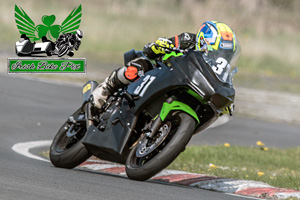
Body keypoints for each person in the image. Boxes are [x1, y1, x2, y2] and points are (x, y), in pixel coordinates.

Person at [92, 21, 238, 109]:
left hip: (183, 86)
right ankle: (105, 89)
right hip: (158, 69)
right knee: (135, 69)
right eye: (219, 51)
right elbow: (151, 49)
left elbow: (221, 84)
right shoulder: (188, 39)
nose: (221, 56)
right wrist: (162, 45)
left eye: (225, 53)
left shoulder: (219, 67)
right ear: (207, 40)